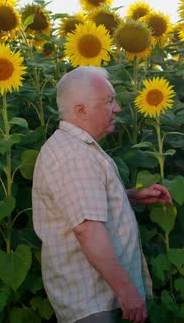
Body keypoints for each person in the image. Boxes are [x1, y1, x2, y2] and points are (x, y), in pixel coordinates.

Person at [32, 66, 173, 323]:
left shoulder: (75, 148)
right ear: (80, 110)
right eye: (109, 101)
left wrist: (129, 196)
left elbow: (82, 205)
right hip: (93, 300)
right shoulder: (73, 156)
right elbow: (87, 228)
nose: (117, 108)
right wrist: (127, 290)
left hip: (97, 296)